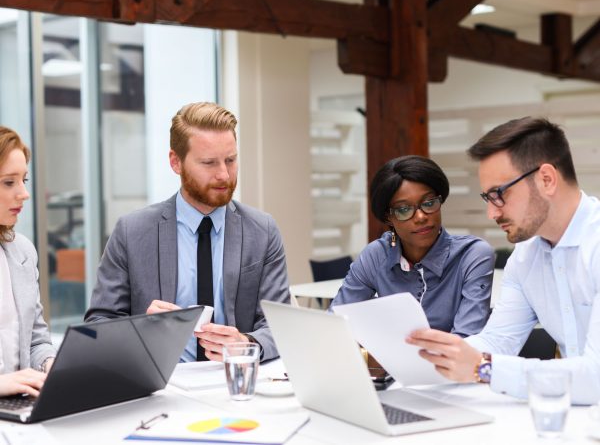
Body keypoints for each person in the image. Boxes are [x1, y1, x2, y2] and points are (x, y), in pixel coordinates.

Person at [407, 117, 600, 405]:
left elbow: (595, 378)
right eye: (488, 197)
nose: (492, 213)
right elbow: (497, 342)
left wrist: (484, 368)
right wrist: (431, 353)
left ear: (546, 179)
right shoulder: (525, 257)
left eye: (499, 194)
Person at [85, 102, 289, 362]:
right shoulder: (132, 232)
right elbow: (97, 327)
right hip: (161, 388)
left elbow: (280, 326)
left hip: (236, 384)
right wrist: (142, 331)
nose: (224, 175)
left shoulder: (262, 231)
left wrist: (247, 344)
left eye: (230, 160)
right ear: (175, 162)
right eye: (209, 163)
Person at [330, 155, 494, 337]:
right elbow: (336, 323)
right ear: (388, 218)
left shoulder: (472, 255)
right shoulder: (376, 255)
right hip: (390, 364)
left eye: (429, 203)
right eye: (403, 209)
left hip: (455, 364)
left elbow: (467, 339)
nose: (421, 217)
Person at [0, 126, 55, 397]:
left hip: (17, 409)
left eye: (24, 180)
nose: (24, 194)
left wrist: (50, 364)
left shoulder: (22, 252)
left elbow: (35, 341)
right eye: (9, 182)